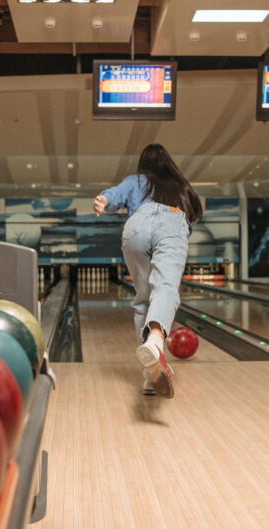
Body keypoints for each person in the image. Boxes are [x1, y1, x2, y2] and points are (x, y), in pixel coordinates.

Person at [94, 144, 202, 398]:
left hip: (136, 225)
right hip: (172, 221)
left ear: (143, 165)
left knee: (143, 301)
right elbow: (193, 217)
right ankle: (155, 341)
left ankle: (150, 375)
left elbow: (115, 195)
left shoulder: (135, 180)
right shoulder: (182, 187)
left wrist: (104, 200)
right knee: (164, 287)